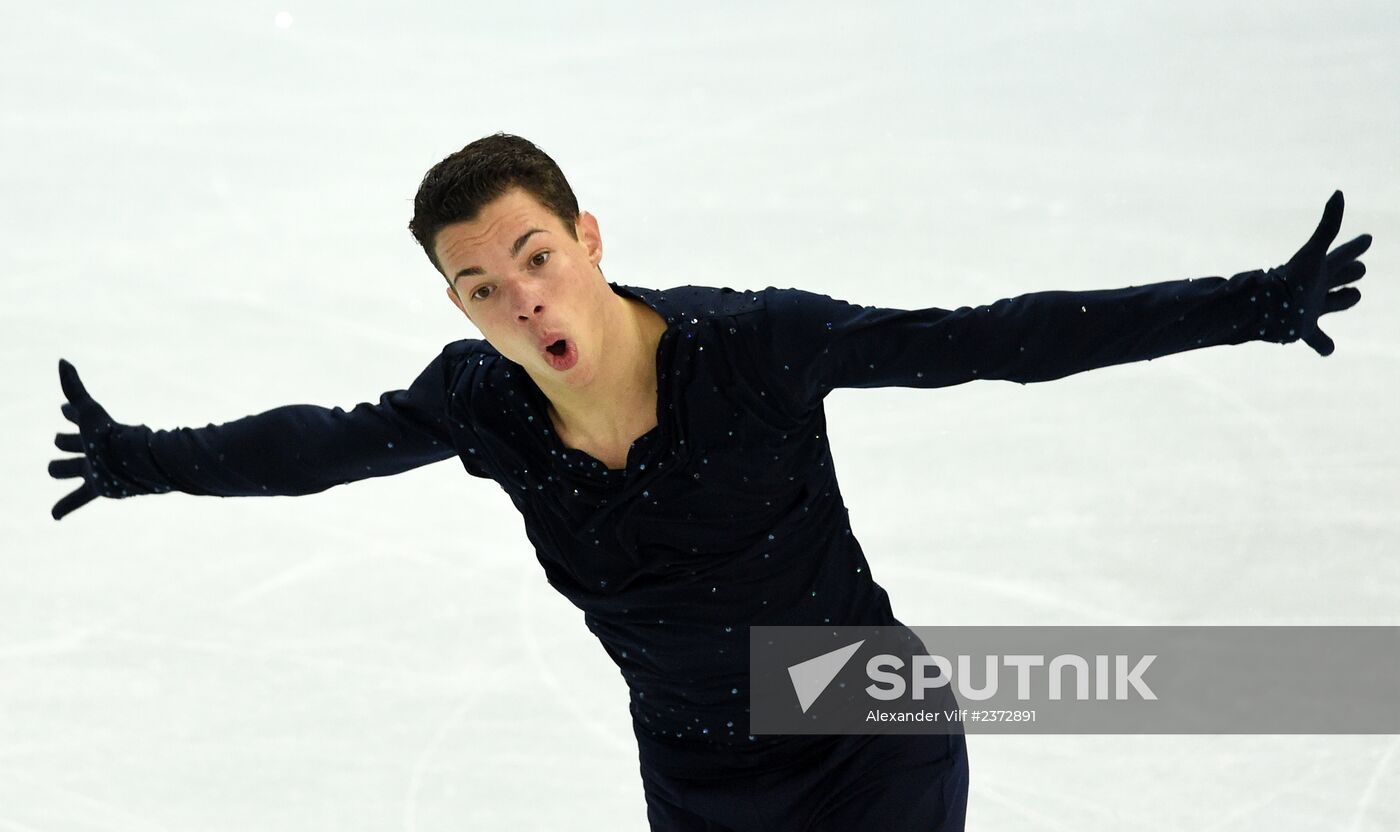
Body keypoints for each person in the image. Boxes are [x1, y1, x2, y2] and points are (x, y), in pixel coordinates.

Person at [49, 133, 1370, 831]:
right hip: (695, 767)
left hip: (866, 734)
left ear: (587, 239)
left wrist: (1247, 305)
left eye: (534, 255)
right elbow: (319, 444)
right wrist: (140, 460)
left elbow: (993, 341)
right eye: (479, 287)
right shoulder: (483, 405)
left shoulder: (754, 350)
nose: (519, 297)